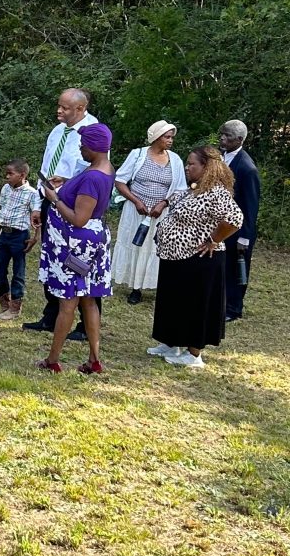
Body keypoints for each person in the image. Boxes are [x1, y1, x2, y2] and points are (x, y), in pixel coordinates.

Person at [149, 146, 245, 369]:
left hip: (198, 259)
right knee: (173, 301)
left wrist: (214, 239)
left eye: (192, 164)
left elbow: (235, 218)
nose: (187, 167)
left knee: (194, 305)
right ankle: (171, 342)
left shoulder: (216, 192)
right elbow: (178, 200)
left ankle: (194, 354)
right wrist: (165, 202)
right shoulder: (196, 189)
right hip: (176, 257)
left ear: (206, 167)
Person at [36, 123, 115, 374]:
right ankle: (94, 359)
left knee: (68, 303)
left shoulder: (92, 176)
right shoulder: (104, 168)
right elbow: (87, 191)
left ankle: (53, 360)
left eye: (82, 146)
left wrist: (55, 198)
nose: (80, 149)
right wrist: (68, 182)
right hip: (94, 243)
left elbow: (78, 218)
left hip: (77, 247)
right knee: (89, 300)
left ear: (93, 147)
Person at [22, 88, 100, 337]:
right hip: (50, 200)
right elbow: (46, 168)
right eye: (59, 105)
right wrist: (38, 203)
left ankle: (85, 325)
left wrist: (67, 181)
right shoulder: (57, 131)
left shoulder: (93, 131)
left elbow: (94, 170)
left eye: (65, 108)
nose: (59, 110)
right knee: (53, 258)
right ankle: (52, 315)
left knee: (77, 260)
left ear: (80, 109)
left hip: (75, 204)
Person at [112, 121, 186, 305]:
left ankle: (156, 285)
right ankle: (135, 288)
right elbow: (120, 181)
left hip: (160, 214)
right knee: (136, 245)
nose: (170, 141)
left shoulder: (175, 160)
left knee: (156, 248)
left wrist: (164, 203)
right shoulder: (137, 155)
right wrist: (136, 201)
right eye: (166, 137)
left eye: (171, 137)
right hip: (137, 211)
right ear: (155, 138)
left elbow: (181, 189)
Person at [219, 120, 261, 322]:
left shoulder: (247, 168)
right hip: (223, 224)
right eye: (222, 134)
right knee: (223, 265)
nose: (222, 139)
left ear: (240, 140)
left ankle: (234, 308)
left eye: (227, 136)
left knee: (237, 268)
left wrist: (245, 236)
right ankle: (221, 303)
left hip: (239, 228)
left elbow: (251, 206)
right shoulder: (222, 157)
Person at [0, 159, 41, 321]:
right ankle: (4, 301)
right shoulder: (6, 189)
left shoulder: (32, 193)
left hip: (19, 236)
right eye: (6, 173)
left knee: (18, 271)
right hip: (4, 234)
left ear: (22, 175)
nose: (7, 176)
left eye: (10, 174)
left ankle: (15, 307)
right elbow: (2, 211)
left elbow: (37, 218)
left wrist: (35, 238)